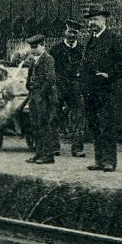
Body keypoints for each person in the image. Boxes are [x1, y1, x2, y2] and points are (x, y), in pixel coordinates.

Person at [78, 6, 122, 172]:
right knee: (95, 126)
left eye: (96, 19)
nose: (92, 23)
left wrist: (109, 74)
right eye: (90, 20)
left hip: (106, 91)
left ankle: (109, 161)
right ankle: (99, 160)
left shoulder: (112, 38)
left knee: (107, 126)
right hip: (90, 91)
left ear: (104, 20)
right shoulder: (90, 40)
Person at [48, 20, 85, 158]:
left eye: (75, 32)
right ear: (65, 32)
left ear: (78, 34)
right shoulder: (55, 49)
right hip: (59, 86)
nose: (72, 35)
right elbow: (50, 69)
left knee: (79, 116)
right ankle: (54, 146)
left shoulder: (82, 50)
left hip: (75, 87)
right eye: (70, 32)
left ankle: (77, 148)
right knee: (54, 114)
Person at [23, 34, 60, 163]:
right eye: (31, 47)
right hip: (34, 96)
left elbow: (50, 79)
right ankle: (38, 153)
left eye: (35, 46)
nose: (33, 49)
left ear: (43, 46)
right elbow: (29, 78)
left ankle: (48, 155)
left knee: (45, 125)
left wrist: (41, 93)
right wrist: (29, 86)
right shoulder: (34, 61)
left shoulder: (48, 59)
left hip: (45, 98)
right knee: (35, 125)